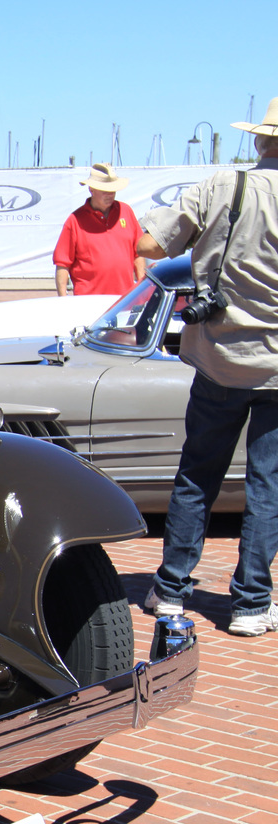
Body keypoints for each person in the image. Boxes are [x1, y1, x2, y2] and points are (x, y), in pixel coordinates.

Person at [140, 97, 278, 636]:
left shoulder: (226, 186)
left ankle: (172, 588)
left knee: (198, 474)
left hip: (220, 358)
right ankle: (250, 604)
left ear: (260, 141)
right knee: (268, 487)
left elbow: (151, 242)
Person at [53, 163, 147, 296]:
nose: (110, 194)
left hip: (124, 300)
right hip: (88, 303)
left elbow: (138, 253)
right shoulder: (75, 220)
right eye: (105, 190)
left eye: (112, 190)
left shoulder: (126, 212)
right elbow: (62, 264)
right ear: (91, 189)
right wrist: (63, 299)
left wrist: (142, 291)